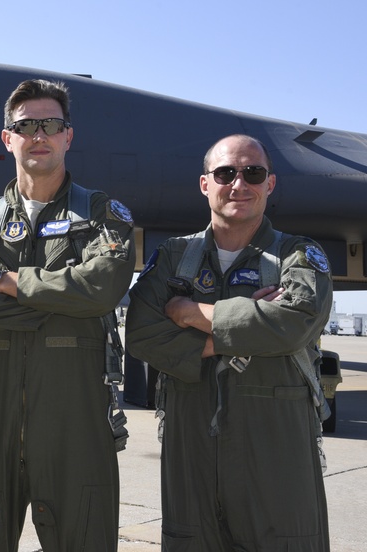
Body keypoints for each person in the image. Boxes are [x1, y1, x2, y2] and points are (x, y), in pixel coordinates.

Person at [0, 79, 135, 551]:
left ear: (69, 135)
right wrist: (55, 303)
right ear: (7, 138)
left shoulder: (102, 216)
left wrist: (11, 284)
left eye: (50, 124)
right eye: (25, 125)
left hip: (77, 420)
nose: (39, 134)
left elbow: (102, 288)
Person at [126, 134, 332, 551]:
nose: (239, 183)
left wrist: (190, 314)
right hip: (191, 448)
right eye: (225, 173)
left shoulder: (298, 255)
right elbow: (142, 333)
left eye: (252, 173)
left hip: (276, 451)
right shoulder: (173, 256)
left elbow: (295, 323)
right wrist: (246, 325)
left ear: (269, 184)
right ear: (206, 184)